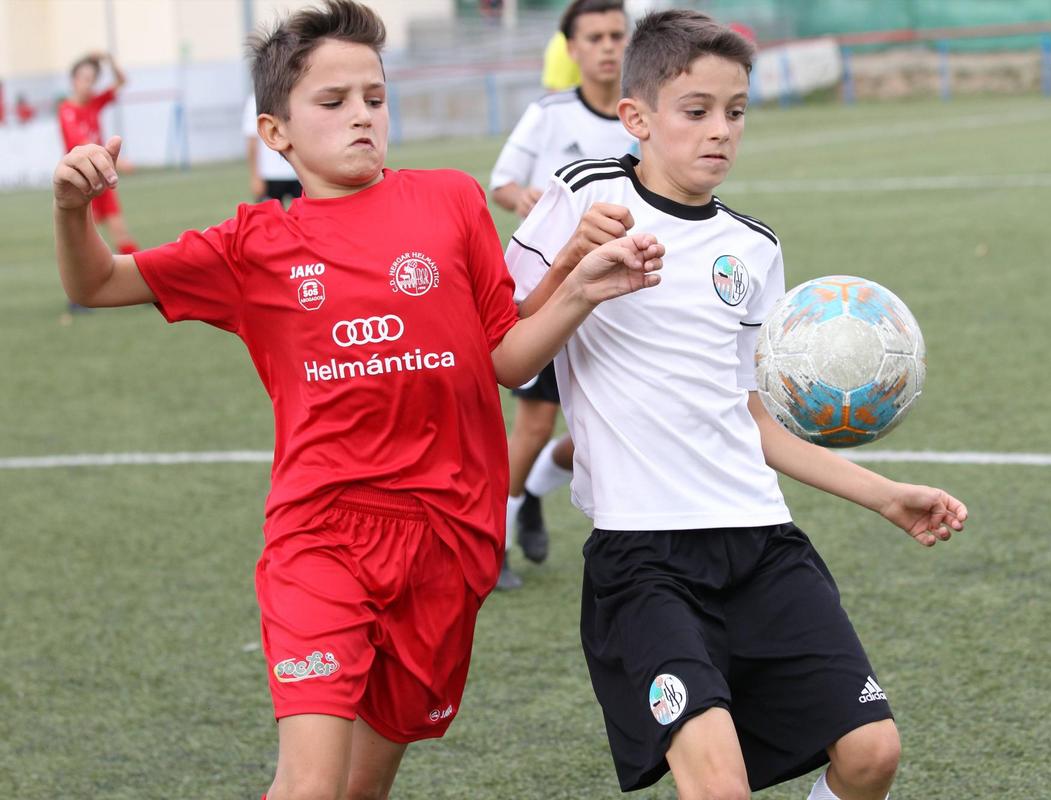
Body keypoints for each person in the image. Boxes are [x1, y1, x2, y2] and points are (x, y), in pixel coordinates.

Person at [50, 2, 663, 798]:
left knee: (359, 791)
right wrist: (71, 209)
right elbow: (96, 281)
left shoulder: (450, 200)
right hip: (323, 534)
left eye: (374, 97)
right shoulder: (252, 246)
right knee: (308, 788)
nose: (362, 116)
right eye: (333, 103)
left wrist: (577, 288)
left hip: (451, 538)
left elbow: (504, 359)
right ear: (278, 134)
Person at [506, 10, 968, 800]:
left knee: (872, 753)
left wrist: (886, 496)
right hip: (645, 559)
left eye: (737, 111)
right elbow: (507, 356)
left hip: (760, 544)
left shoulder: (754, 247)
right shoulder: (586, 197)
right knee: (716, 783)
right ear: (637, 117)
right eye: (697, 111)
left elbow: (752, 418)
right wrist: (580, 285)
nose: (721, 130)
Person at [490, 0, 635, 589]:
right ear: (571, 49)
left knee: (606, 425)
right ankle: (492, 544)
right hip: (553, 290)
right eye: (595, 37)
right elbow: (500, 183)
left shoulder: (642, 117)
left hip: (620, 298)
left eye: (617, 35)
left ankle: (527, 496)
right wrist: (523, 197)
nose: (607, 47)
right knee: (534, 423)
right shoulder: (549, 114)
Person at [58, 52, 139, 258]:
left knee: (120, 232)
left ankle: (139, 274)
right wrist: (118, 162)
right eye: (85, 78)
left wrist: (110, 59)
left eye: (92, 80)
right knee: (83, 242)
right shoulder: (67, 110)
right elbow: (82, 144)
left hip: (100, 178)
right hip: (80, 182)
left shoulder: (94, 103)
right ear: (74, 80)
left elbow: (122, 81)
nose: (89, 84)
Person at [243, 94, 302, 204]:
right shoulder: (256, 101)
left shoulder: (297, 94)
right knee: (270, 219)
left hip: (299, 173)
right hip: (270, 174)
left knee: (306, 218)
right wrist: (255, 177)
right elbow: (252, 143)